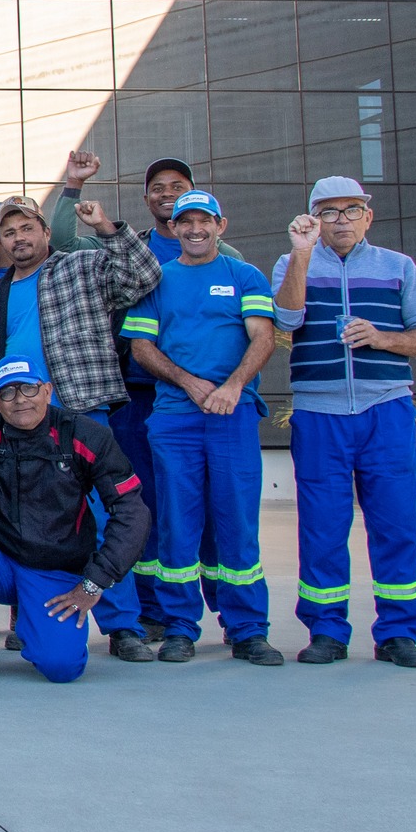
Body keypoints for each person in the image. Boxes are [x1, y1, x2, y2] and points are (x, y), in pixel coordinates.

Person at [0, 193, 162, 661]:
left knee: (103, 518)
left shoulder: (82, 267)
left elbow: (144, 277)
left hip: (80, 411)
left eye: (26, 228)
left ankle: (122, 626)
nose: (18, 238)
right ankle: (29, 618)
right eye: (8, 232)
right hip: (19, 423)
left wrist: (108, 228)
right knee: (19, 521)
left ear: (46, 232)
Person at [54, 151, 243, 630]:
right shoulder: (124, 245)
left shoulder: (232, 261)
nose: (167, 193)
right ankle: (157, 610)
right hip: (139, 395)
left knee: (216, 506)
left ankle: (227, 607)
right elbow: (59, 240)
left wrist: (231, 384)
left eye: (177, 185)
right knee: (149, 502)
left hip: (208, 402)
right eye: (158, 187)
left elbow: (251, 328)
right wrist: (73, 185)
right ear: (147, 199)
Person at [272, 177, 416, 669]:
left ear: (368, 216)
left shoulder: (398, 267)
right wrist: (302, 255)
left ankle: (398, 634)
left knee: (395, 524)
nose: (342, 219)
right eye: (329, 212)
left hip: (385, 409)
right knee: (322, 528)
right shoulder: (292, 263)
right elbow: (285, 321)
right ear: (312, 220)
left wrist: (384, 338)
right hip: (319, 413)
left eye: (352, 210)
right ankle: (327, 630)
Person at [120, 191, 284, 665]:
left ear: (220, 225)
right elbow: (142, 348)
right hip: (175, 418)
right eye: (183, 221)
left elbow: (263, 337)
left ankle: (248, 629)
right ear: (172, 227)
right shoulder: (156, 281)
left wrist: (232, 387)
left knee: (236, 521)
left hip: (231, 416)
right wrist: (191, 384)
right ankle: (179, 628)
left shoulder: (243, 275)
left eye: (203, 221)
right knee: (177, 524)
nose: (194, 229)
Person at [0, 356, 152, 684]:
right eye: (8, 392)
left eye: (29, 388)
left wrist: (94, 582)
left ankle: (37, 626)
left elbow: (132, 512)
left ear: (47, 391)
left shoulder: (85, 434)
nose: (20, 400)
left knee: (61, 667)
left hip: (55, 572)